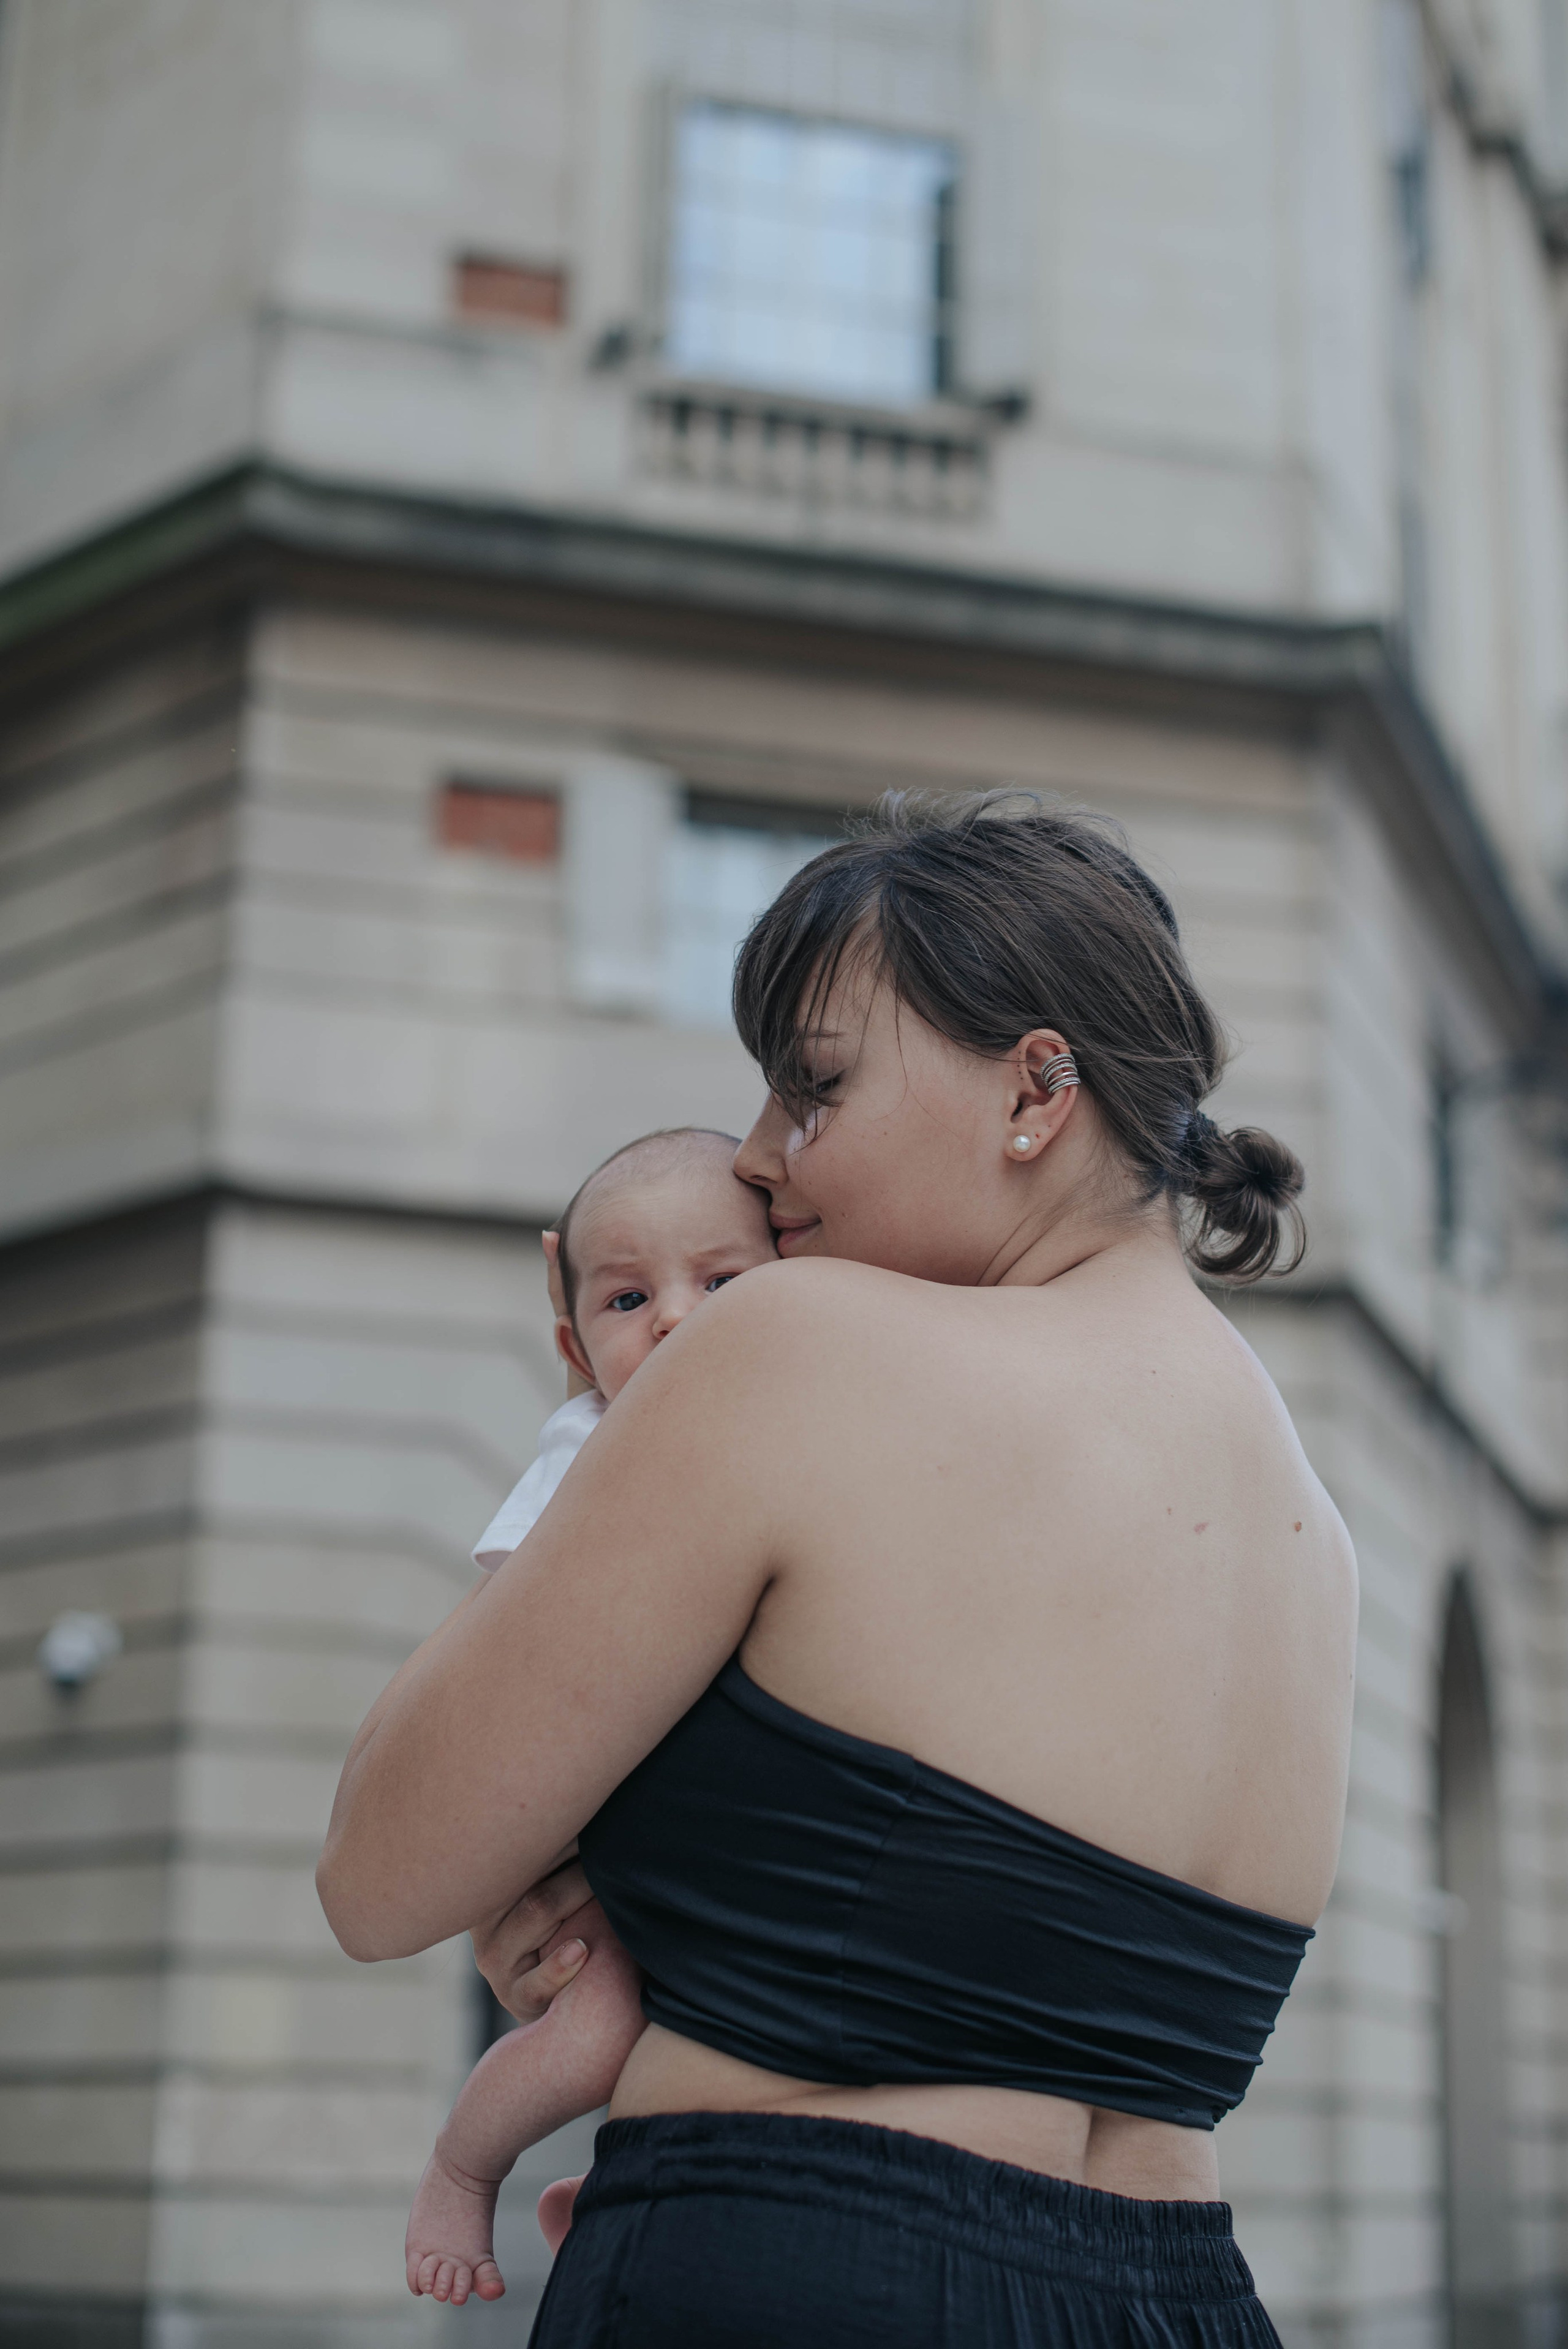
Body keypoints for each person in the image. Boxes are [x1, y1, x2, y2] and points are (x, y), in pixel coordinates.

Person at [320, 794, 1358, 2349]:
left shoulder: (796, 1347)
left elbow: (377, 1870)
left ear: (1033, 1091)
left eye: (809, 1090)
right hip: (1188, 2299)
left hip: (806, 2266)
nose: (753, 1154)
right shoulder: (1311, 1529)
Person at [405, 1128, 775, 2305]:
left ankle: (614, 2193)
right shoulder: (592, 1449)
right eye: (628, 1297)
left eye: (721, 1282)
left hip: (737, 1841)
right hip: (607, 1824)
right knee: (599, 2025)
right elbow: (517, 1626)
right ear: (575, 1345)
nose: (674, 1318)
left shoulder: (804, 1423)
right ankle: (466, 2168)